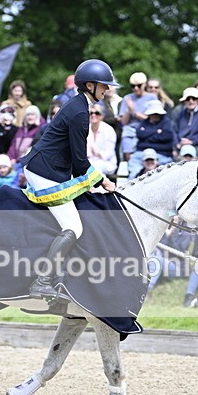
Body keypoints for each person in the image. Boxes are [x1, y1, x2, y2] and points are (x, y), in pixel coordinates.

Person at [20, 59, 118, 301]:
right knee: (74, 227)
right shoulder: (79, 113)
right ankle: (42, 282)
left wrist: (90, 183)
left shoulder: (78, 106)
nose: (107, 90)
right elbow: (80, 161)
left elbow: (77, 163)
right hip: (45, 171)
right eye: (104, 86)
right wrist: (103, 182)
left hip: (50, 167)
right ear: (89, 85)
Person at [128, 99, 176, 178]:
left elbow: (167, 136)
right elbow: (139, 134)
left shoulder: (167, 122)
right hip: (141, 154)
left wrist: (146, 135)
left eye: (157, 113)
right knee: (134, 174)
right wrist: (156, 132)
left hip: (161, 155)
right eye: (153, 113)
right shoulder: (144, 122)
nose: (155, 115)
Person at [118, 72, 158, 162]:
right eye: (133, 86)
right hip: (130, 130)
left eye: (139, 85)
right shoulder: (127, 98)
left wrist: (134, 112)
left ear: (144, 85)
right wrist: (129, 111)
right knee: (127, 143)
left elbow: (152, 119)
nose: (136, 88)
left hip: (146, 129)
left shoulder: (152, 98)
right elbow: (123, 122)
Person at [87, 103, 118, 178]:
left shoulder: (109, 130)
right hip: (89, 161)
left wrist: (97, 153)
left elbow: (108, 154)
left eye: (97, 113)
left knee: (94, 167)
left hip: (108, 163)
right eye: (91, 113)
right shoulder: (85, 129)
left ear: (102, 116)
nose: (93, 115)